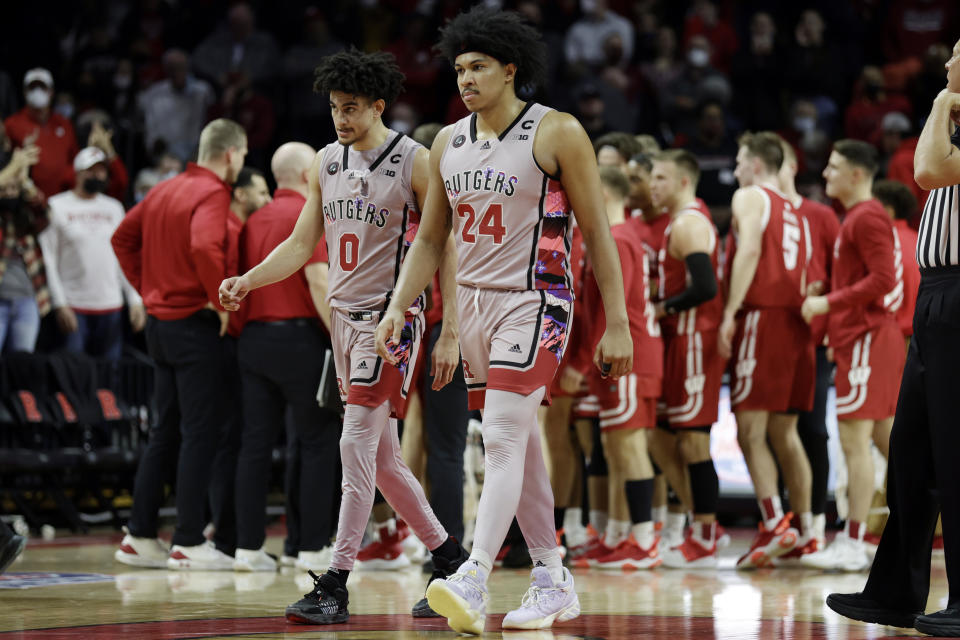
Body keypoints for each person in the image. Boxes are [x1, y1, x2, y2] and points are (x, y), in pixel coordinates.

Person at [373, 7, 633, 633]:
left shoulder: (558, 131)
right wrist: (399, 306)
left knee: (503, 435)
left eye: (478, 67)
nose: (464, 78)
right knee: (523, 444)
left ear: (510, 69)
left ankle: (472, 572)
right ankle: (551, 577)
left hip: (537, 301)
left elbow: (598, 233)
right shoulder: (447, 142)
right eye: (459, 68)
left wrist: (617, 323)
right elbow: (432, 240)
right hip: (476, 305)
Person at [218, 49, 468, 623]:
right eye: (334, 108)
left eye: (351, 108)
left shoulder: (415, 161)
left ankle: (335, 580)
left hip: (390, 322)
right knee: (380, 461)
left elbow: (444, 246)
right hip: (341, 320)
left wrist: (449, 326)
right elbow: (303, 246)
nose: (341, 118)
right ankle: (450, 560)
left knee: (353, 445)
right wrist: (248, 280)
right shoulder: (326, 163)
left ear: (380, 106)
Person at [827, 37, 960, 635]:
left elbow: (929, 170)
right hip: (935, 294)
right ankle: (894, 593)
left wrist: (941, 101)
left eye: (958, 55)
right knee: (913, 451)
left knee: (955, 454)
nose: (949, 62)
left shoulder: (942, 120)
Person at [111, 118, 247, 570]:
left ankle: (140, 535)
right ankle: (188, 540)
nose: (241, 165)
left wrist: (147, 288)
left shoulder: (164, 188)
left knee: (163, 432)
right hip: (193, 325)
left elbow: (122, 238)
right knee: (199, 432)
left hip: (159, 326)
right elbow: (206, 247)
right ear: (230, 154)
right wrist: (221, 300)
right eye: (243, 156)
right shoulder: (211, 193)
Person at [232, 142, 341, 573]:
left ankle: (247, 548)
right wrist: (344, 337)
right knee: (314, 444)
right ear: (306, 173)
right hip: (299, 340)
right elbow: (318, 281)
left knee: (254, 447)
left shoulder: (251, 219)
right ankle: (309, 548)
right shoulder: (308, 216)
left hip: (254, 341)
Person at [801, 140, 904, 572]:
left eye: (834, 167)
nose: (826, 174)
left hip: (868, 338)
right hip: (863, 339)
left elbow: (883, 280)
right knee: (891, 445)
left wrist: (829, 304)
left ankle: (855, 540)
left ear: (858, 174)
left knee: (854, 443)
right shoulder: (857, 218)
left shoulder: (867, 217)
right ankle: (916, 525)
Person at [718, 131, 816, 569]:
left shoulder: (751, 196)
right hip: (797, 325)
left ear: (756, 165)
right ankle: (808, 531)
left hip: (763, 315)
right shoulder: (800, 210)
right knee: (785, 433)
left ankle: (775, 523)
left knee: (750, 430)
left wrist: (730, 312)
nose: (735, 170)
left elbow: (751, 249)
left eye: (740, 161)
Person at [565, 166, 662, 570]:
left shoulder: (618, 240)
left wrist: (585, 360)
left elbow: (613, 311)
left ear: (603, 193)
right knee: (615, 447)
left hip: (627, 355)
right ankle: (622, 534)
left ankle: (644, 539)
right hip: (620, 354)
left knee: (628, 445)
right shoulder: (619, 237)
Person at [646, 150, 725, 568]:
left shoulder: (691, 223)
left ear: (682, 181)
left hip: (696, 339)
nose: (652, 184)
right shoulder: (681, 221)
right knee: (659, 436)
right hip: (678, 342)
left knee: (694, 440)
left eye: (660, 177)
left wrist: (663, 307)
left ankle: (707, 535)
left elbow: (707, 287)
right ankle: (700, 519)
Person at [777, 136, 840, 553]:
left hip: (814, 341)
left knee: (812, 429)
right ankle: (790, 521)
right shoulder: (756, 209)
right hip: (772, 341)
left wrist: (834, 327)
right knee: (775, 432)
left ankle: (815, 521)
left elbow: (842, 275)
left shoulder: (821, 216)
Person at [40, 147, 145, 360]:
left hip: (111, 305)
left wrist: (135, 300)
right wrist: (59, 303)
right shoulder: (57, 205)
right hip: (74, 305)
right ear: (78, 172)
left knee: (109, 378)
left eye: (101, 170)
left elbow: (124, 256)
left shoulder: (114, 208)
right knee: (73, 376)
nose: (97, 175)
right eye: (91, 170)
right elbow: (48, 259)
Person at [3, 69, 77, 199]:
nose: (37, 91)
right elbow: (4, 159)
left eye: (42, 87)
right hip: (26, 198)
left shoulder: (64, 124)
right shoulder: (12, 124)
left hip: (62, 198)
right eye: (33, 87)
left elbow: (74, 161)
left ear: (51, 92)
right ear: (25, 92)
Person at [872, 179, 920, 345]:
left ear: (889, 211)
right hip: (921, 340)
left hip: (888, 339)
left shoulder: (882, 243)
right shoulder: (919, 241)